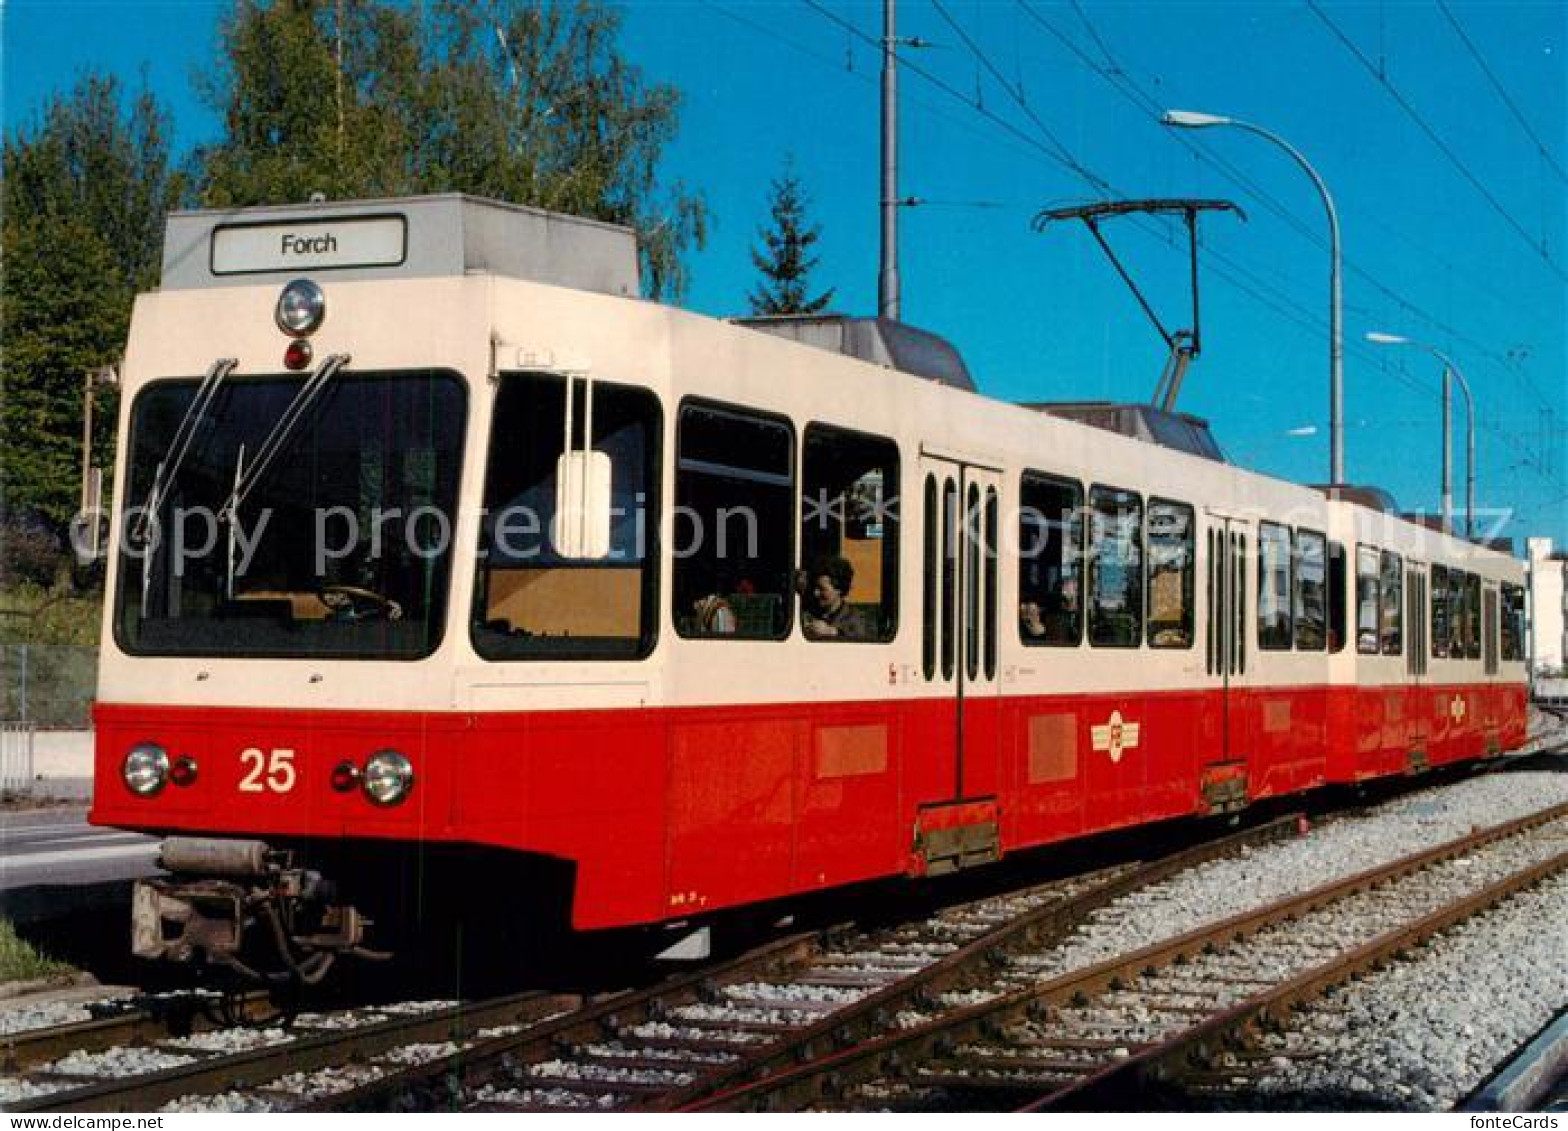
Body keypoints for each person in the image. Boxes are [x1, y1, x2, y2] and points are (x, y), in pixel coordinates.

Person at [802, 556, 873, 641]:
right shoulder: (809, 614)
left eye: (822, 589)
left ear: (839, 589)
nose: (816, 593)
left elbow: (863, 635)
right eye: (815, 588)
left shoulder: (856, 618)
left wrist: (831, 632)